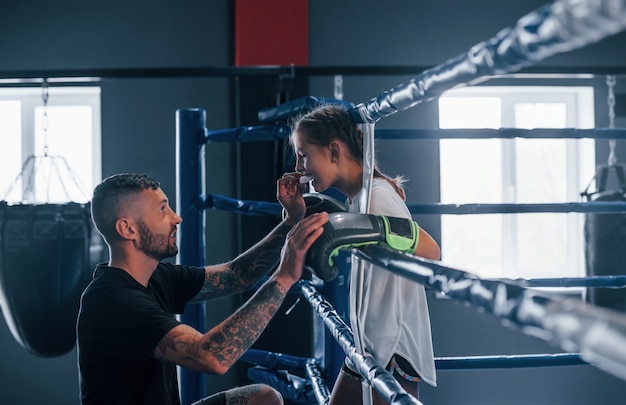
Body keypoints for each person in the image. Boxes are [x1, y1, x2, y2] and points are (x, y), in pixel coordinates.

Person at [76, 172, 329, 405]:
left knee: (262, 399)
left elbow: (237, 275)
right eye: (163, 210)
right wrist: (283, 278)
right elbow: (212, 357)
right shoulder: (113, 302)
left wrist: (291, 223)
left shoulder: (154, 276)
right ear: (128, 229)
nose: (177, 218)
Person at [290, 105, 441, 404]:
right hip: (371, 342)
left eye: (304, 154)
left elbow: (432, 251)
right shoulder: (360, 199)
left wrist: (376, 227)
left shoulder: (378, 197)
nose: (298, 166)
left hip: (392, 347)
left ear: (334, 151)